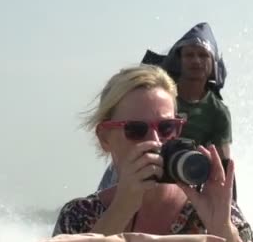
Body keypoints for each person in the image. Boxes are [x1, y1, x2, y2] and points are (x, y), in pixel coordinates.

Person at [53, 64, 253, 242]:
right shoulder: (79, 216)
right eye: (136, 130)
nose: (155, 141)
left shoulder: (211, 208)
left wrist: (222, 229)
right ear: (105, 138)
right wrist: (121, 210)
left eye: (166, 128)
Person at [98, 22, 237, 196]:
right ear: (179, 60)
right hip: (134, 167)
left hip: (179, 174)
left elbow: (224, 161)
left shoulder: (217, 112)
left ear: (213, 63)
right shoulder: (159, 95)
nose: (196, 61)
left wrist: (228, 205)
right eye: (189, 55)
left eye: (203, 55)